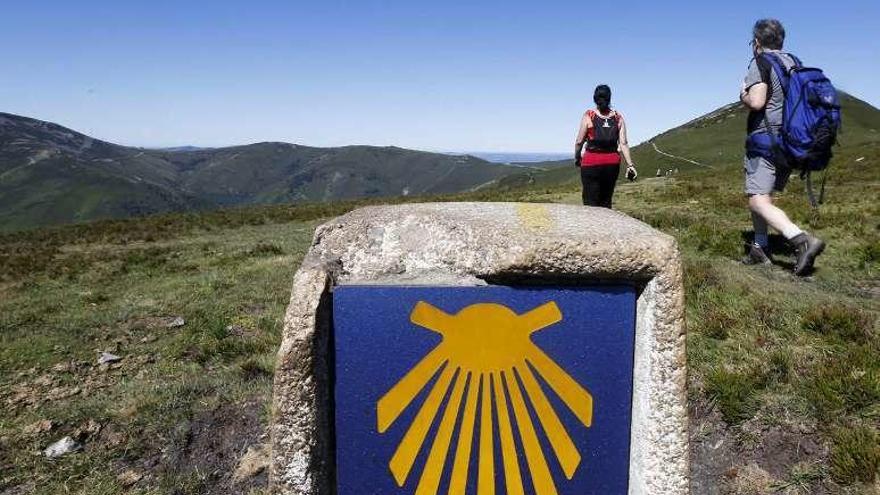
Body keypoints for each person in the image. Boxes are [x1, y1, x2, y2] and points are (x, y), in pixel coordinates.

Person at [739, 19, 825, 275]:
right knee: (762, 195)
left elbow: (757, 102)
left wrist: (742, 93)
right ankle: (760, 247)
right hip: (792, 140)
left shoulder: (761, 62)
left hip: (766, 139)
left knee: (757, 201)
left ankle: (801, 239)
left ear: (757, 42)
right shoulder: (794, 62)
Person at [574, 85, 637, 208]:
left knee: (590, 201)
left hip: (591, 163)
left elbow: (579, 141)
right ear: (609, 98)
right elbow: (623, 143)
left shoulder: (589, 115)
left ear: (594, 98)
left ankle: (592, 226)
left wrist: (577, 158)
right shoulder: (617, 117)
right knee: (606, 201)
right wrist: (630, 165)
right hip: (612, 164)